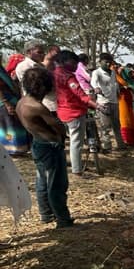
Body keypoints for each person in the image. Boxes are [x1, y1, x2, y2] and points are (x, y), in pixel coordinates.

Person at [15, 67, 74, 228]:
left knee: (42, 181)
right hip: (50, 147)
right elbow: (57, 125)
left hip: (38, 143)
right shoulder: (37, 107)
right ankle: (63, 218)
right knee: (57, 184)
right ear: (42, 87)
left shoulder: (21, 103)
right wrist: (62, 134)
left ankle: (46, 214)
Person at [54, 50, 102, 176]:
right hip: (74, 112)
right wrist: (96, 105)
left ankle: (70, 166)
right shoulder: (68, 77)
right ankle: (77, 170)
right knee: (76, 143)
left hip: (62, 112)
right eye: (73, 62)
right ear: (64, 61)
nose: (76, 66)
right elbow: (80, 94)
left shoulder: (54, 73)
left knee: (66, 142)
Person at [90, 54, 125, 152]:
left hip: (114, 101)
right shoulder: (97, 72)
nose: (108, 64)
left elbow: (115, 84)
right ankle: (106, 146)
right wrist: (96, 88)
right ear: (100, 62)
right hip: (103, 102)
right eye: (106, 62)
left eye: (110, 62)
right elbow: (93, 82)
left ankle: (121, 144)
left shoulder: (113, 72)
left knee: (116, 124)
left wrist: (118, 91)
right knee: (105, 126)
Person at [0, 58, 31, 156]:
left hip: (11, 100)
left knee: (14, 125)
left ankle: (18, 149)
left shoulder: (1, 69)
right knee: (9, 126)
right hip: (5, 102)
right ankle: (12, 149)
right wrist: (6, 103)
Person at [115, 65, 134, 145]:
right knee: (125, 119)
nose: (132, 75)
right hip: (123, 100)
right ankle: (127, 139)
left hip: (129, 100)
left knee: (130, 119)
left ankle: (131, 139)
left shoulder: (129, 82)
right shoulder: (120, 80)